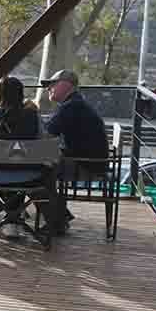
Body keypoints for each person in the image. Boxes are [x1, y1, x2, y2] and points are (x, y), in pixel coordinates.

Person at [43, 69, 109, 234]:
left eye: (52, 84)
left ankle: (57, 219)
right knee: (40, 169)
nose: (47, 89)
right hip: (90, 162)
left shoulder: (71, 106)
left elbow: (47, 133)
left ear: (66, 85)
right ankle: (59, 216)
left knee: (36, 173)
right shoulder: (74, 103)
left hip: (86, 166)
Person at [0, 76, 43, 238]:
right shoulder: (34, 116)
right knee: (18, 176)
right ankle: (12, 223)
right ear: (21, 94)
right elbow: (42, 141)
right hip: (29, 176)